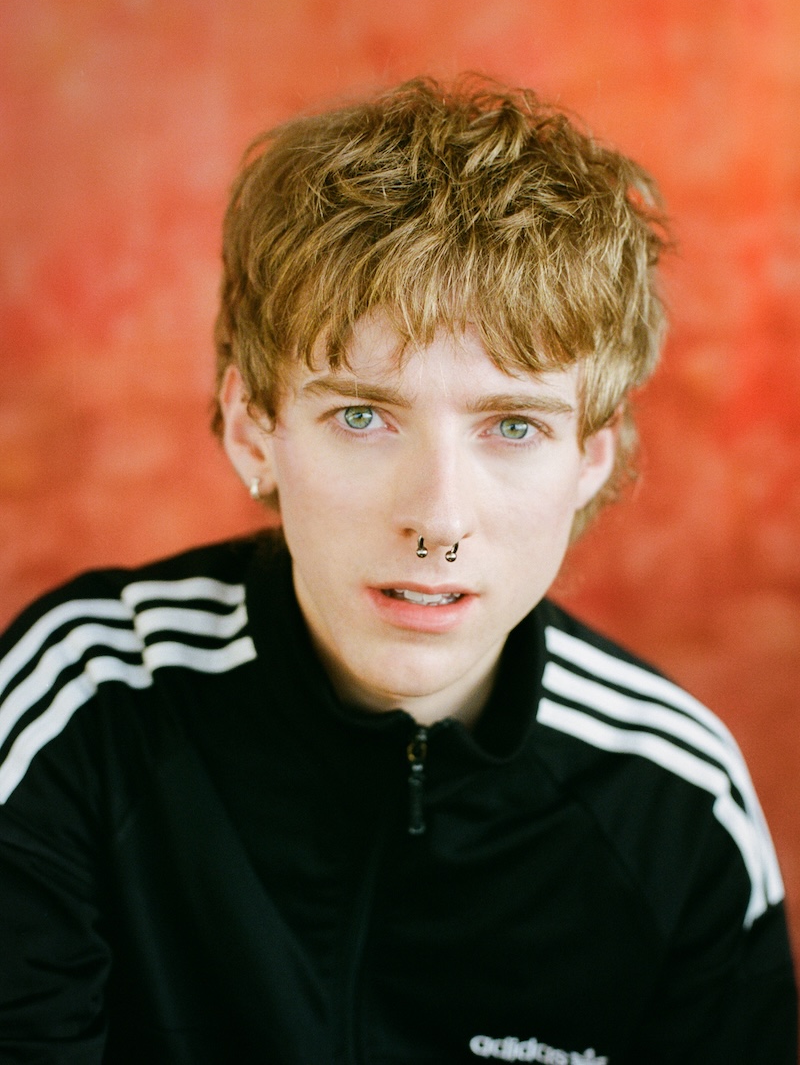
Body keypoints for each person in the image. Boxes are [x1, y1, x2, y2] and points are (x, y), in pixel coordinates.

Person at [0, 77, 795, 1065]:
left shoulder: (677, 803)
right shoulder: (86, 701)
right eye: (362, 415)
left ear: (589, 456)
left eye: (512, 426)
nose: (438, 518)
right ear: (254, 428)